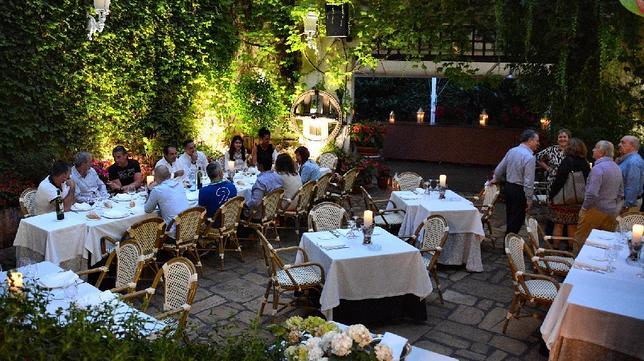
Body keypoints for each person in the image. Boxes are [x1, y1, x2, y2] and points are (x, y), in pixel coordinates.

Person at [575, 141, 624, 243]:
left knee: (582, 241)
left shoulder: (598, 168)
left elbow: (592, 193)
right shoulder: (617, 168)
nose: (593, 150)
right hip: (611, 212)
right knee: (603, 243)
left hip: (594, 210)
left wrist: (584, 208)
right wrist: (615, 210)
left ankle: (578, 259)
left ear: (601, 152)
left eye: (595, 148)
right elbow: (620, 194)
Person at [492, 129, 539, 235]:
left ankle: (508, 245)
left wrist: (496, 178)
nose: (538, 143)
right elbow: (528, 181)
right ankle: (510, 246)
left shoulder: (512, 151)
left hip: (509, 188)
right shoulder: (529, 157)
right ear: (530, 140)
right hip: (519, 191)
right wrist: (529, 198)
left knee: (510, 217)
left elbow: (500, 168)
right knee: (516, 220)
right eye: (537, 140)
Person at [548, 138, 591, 247]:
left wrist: (551, 195)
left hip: (563, 200)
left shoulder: (567, 161)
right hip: (578, 200)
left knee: (559, 225)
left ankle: (556, 249)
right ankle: (570, 250)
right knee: (572, 225)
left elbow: (559, 181)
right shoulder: (585, 163)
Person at [144, 165, 189, 238]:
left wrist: (150, 191)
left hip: (174, 235)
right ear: (169, 175)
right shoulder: (179, 184)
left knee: (150, 233)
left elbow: (147, 209)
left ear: (156, 177)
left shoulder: (157, 190)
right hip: (190, 229)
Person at [617, 135, 644, 213]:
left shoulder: (633, 162)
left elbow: (633, 186)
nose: (619, 145)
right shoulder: (629, 159)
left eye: (623, 143)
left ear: (632, 146)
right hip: (626, 202)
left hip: (628, 204)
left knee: (624, 225)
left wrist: (627, 205)